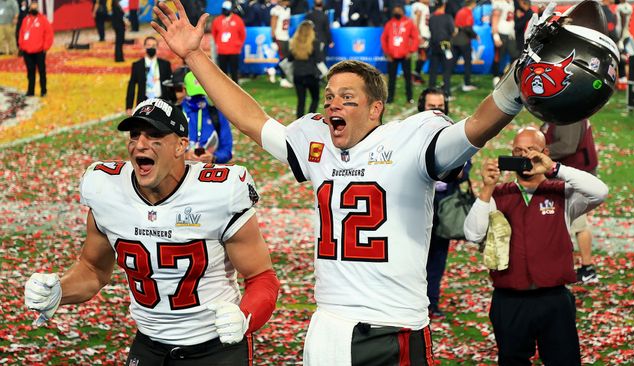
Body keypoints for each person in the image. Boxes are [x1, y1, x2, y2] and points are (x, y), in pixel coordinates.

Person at [151, 0, 535, 362]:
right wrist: (195, 56)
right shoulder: (317, 142)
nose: (333, 104)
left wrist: (517, 83)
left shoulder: (412, 138)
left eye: (347, 98)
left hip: (396, 324)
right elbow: (251, 119)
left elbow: (477, 128)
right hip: (330, 323)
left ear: (375, 108)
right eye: (330, 96)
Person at [24, 97, 280, 365]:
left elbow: (262, 277)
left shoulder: (219, 192)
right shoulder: (107, 190)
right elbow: (92, 269)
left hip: (215, 347)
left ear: (181, 145)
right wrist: (59, 292)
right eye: (135, 135)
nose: (140, 145)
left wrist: (245, 316)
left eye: (155, 135)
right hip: (149, 346)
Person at [464, 127, 608, 364]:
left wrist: (554, 168)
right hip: (509, 299)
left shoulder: (562, 193)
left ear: (545, 152)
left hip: (553, 298)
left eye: (531, 150)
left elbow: (600, 191)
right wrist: (487, 188)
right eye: (518, 151)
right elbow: (472, 234)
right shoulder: (499, 194)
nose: (524, 156)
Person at [417, 87, 472, 318]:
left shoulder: (454, 132)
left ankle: (432, 302)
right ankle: (413, 301)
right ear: (422, 108)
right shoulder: (411, 132)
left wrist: (453, 168)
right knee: (414, 256)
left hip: (444, 202)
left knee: (438, 256)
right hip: (417, 204)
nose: (437, 111)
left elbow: (465, 169)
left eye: (440, 106)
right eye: (432, 107)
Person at [541, 119, 599, 283]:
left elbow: (567, 145)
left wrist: (541, 152)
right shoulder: (565, 112)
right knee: (571, 222)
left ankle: (587, 268)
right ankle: (584, 267)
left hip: (575, 175)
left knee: (578, 223)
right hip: (573, 174)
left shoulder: (569, 116)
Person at [182, 70, 234, 163]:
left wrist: (213, 158)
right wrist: (184, 156)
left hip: (209, 173)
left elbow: (227, 150)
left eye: (201, 94)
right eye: (194, 95)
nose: (198, 99)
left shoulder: (217, 114)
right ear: (184, 90)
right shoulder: (175, 114)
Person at [381, 5, 418, 104]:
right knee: (391, 78)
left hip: (405, 55)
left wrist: (411, 51)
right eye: (395, 10)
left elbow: (415, 37)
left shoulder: (408, 23)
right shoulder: (389, 23)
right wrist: (387, 53)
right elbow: (384, 39)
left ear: (403, 11)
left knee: (407, 77)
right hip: (392, 56)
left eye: (399, 10)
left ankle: (409, 97)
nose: (397, 12)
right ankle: (390, 98)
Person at [126, 36, 173, 115]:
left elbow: (170, 84)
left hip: (162, 102)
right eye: (149, 45)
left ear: (157, 47)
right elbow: (132, 85)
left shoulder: (165, 64)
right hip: (144, 103)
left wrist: (173, 102)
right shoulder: (137, 65)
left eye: (154, 46)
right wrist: (129, 106)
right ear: (144, 46)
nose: (151, 47)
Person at [17, 0, 52, 97]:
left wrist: (45, 47)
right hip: (27, 51)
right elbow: (21, 33)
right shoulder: (25, 20)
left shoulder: (43, 20)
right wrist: (22, 46)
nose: (34, 8)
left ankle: (43, 91)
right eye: (32, 6)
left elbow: (49, 34)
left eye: (36, 7)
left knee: (41, 71)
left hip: (40, 50)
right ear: (30, 8)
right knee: (30, 71)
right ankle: (30, 90)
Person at [289, 20, 323, 118]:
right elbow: (319, 59)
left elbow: (290, 58)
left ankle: (299, 121)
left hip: (298, 75)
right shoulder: (314, 43)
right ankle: (310, 119)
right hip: (311, 75)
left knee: (301, 100)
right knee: (315, 98)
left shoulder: (294, 43)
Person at [211, 0, 246, 84]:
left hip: (234, 50)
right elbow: (214, 33)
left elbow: (242, 34)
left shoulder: (238, 20)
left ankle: (236, 86)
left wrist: (238, 45)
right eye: (224, 9)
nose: (225, 11)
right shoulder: (217, 20)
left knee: (234, 70)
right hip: (222, 50)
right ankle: (224, 86)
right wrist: (219, 44)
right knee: (223, 71)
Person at [428, 0, 454, 96]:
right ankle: (447, 92)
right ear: (443, 5)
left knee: (433, 70)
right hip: (445, 45)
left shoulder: (432, 18)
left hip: (434, 45)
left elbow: (430, 29)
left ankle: (430, 90)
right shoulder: (448, 17)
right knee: (446, 69)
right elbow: (452, 30)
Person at [451, 0, 478, 92]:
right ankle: (467, 83)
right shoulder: (467, 12)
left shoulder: (460, 11)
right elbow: (467, 27)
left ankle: (445, 81)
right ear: (473, 4)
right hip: (464, 40)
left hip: (456, 40)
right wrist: (475, 35)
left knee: (452, 61)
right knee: (467, 63)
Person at [490, 0, 518, 87]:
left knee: (514, 54)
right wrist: (496, 36)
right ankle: (496, 77)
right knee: (499, 56)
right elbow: (494, 19)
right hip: (501, 33)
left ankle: (508, 75)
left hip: (509, 34)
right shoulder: (499, 3)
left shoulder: (511, 3)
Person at [270, 0, 292, 87]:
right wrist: (273, 40)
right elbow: (273, 25)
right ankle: (283, 79)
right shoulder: (276, 10)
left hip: (285, 36)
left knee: (286, 58)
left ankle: (273, 70)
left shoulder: (287, 9)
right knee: (284, 59)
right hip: (279, 37)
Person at [410, 0, 430, 85]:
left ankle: (416, 75)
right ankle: (415, 76)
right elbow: (417, 18)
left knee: (423, 56)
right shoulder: (418, 5)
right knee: (423, 55)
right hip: (421, 34)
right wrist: (417, 34)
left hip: (425, 33)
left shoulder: (424, 6)